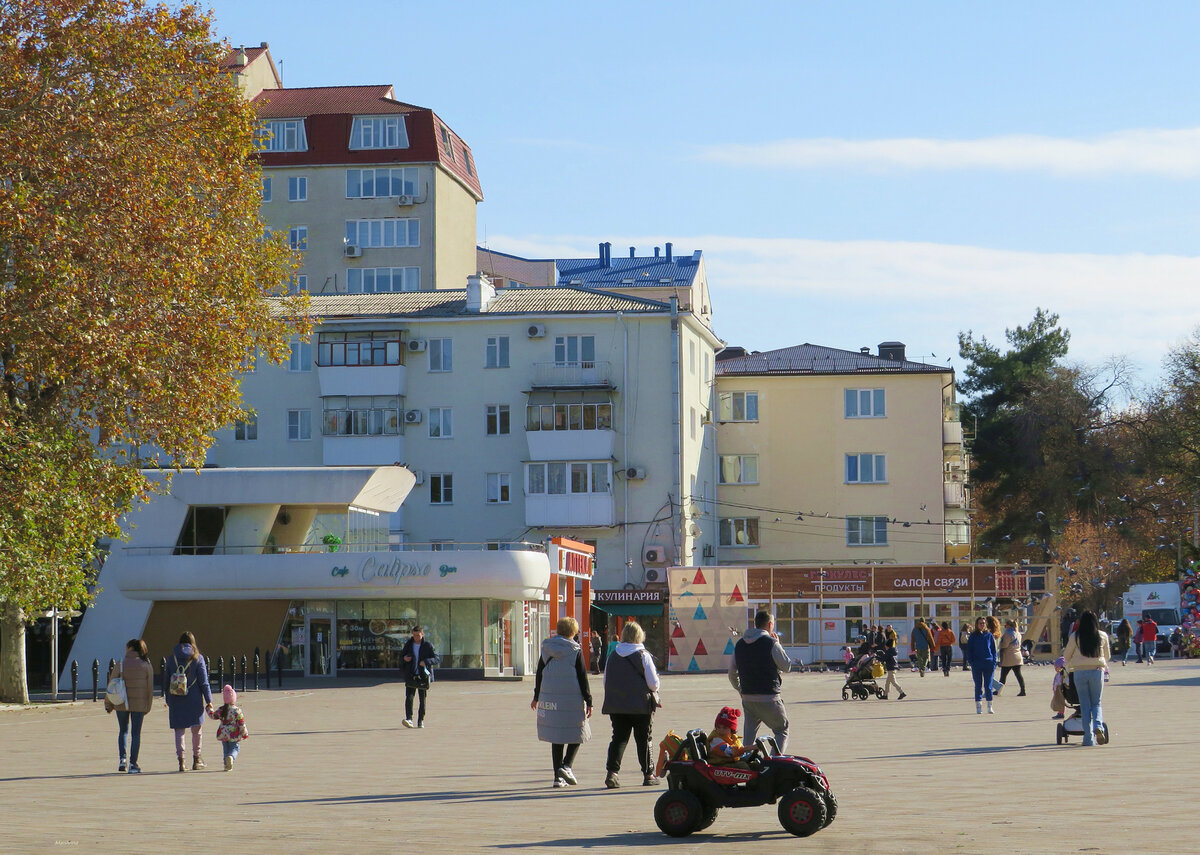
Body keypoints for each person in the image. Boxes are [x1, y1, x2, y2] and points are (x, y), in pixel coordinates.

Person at [532, 616, 592, 788]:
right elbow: (582, 677)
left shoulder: (547, 648)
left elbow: (540, 673)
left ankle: (557, 778)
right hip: (572, 698)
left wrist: (536, 696)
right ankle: (566, 766)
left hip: (551, 698)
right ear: (573, 631)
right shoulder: (575, 650)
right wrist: (589, 700)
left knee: (556, 736)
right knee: (579, 731)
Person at [601, 620, 661, 789]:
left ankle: (612, 773)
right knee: (644, 739)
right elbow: (653, 683)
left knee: (619, 739)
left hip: (617, 705)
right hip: (641, 705)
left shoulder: (613, 655)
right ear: (639, 635)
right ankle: (648, 774)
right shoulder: (643, 655)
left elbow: (606, 681)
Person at [728, 610, 791, 754]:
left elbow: (731, 672)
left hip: (748, 698)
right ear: (769, 624)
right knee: (781, 731)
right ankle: (774, 761)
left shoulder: (739, 645)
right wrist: (778, 644)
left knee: (749, 736)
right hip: (770, 698)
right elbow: (786, 666)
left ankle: (745, 761)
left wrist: (740, 689)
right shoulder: (771, 643)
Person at [104, 638, 154, 773]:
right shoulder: (146, 665)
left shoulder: (120, 663)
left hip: (121, 702)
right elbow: (150, 689)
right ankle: (133, 763)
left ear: (130, 648)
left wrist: (108, 704)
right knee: (136, 733)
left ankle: (122, 760)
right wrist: (148, 706)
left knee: (123, 731)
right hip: (139, 704)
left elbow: (111, 684)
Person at [165, 631, 213, 772]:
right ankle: (197, 759)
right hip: (194, 698)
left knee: (179, 730)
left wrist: (168, 697)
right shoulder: (198, 659)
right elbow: (204, 682)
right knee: (196, 729)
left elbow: (165, 680)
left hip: (175, 697)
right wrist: (209, 700)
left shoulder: (171, 658)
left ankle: (181, 761)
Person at [1063, 610, 1111, 746]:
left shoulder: (1075, 636)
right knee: (1096, 703)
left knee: (1085, 705)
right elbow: (1107, 656)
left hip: (1079, 672)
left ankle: (1088, 738)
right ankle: (1098, 726)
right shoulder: (1102, 635)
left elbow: (1066, 656)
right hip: (1097, 671)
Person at [400, 626, 440, 729]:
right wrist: (405, 658)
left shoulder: (428, 645)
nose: (416, 637)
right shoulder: (409, 644)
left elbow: (437, 658)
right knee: (409, 697)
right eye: (414, 635)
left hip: (423, 676)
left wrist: (426, 662)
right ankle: (409, 719)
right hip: (411, 674)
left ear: (422, 634)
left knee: (422, 698)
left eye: (418, 635)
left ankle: (420, 720)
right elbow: (401, 656)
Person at [207, 684, 249, 771]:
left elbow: (213, 716)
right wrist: (244, 733)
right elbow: (241, 723)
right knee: (235, 748)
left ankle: (226, 765)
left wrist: (209, 709)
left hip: (223, 733)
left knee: (225, 749)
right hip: (234, 733)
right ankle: (231, 757)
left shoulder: (221, 709)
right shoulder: (237, 710)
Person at [966, 616, 997, 714]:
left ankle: (989, 706)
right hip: (977, 664)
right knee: (978, 686)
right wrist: (972, 662)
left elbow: (994, 650)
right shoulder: (973, 636)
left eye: (983, 623)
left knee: (988, 686)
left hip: (988, 663)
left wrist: (994, 662)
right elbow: (969, 650)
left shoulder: (989, 635)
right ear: (977, 624)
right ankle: (978, 706)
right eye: (980, 623)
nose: (982, 625)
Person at [998, 620, 1027, 696]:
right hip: (1018, 656)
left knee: (1003, 675)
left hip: (1009, 657)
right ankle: (1023, 690)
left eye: (1006, 625)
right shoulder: (1018, 633)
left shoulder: (1007, 634)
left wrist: (1000, 646)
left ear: (1008, 625)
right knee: (1018, 675)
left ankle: (998, 690)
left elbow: (1004, 645)